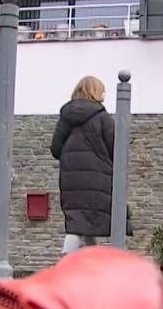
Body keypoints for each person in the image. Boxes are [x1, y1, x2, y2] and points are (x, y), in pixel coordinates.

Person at [51, 76, 119, 255]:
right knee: (84, 223)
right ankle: (67, 265)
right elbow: (116, 150)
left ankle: (88, 266)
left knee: (79, 221)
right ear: (95, 92)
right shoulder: (103, 118)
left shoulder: (65, 117)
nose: (104, 94)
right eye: (102, 90)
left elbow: (55, 148)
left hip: (71, 180)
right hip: (97, 180)